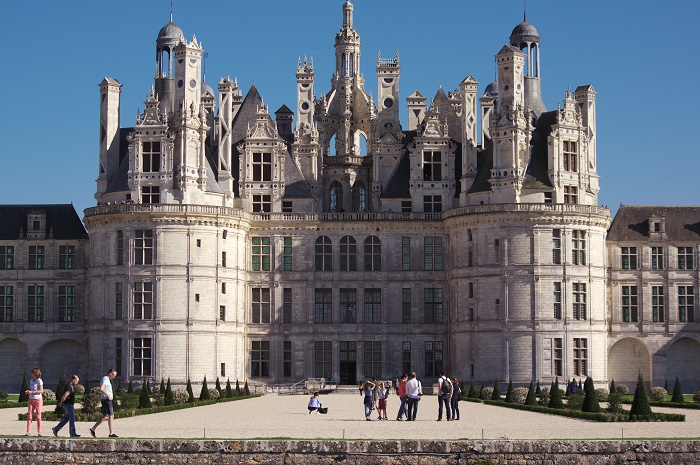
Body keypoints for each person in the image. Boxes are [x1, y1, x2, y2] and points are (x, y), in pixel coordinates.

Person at [89, 368, 118, 438]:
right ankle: (111, 433)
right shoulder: (105, 379)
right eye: (113, 375)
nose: (114, 377)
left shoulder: (106, 379)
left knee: (106, 416)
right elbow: (101, 388)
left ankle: (93, 429)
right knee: (111, 415)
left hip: (105, 399)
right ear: (110, 373)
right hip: (106, 400)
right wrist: (108, 395)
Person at [25, 367, 44, 436]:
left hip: (38, 399)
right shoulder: (31, 380)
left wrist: (31, 392)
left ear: (35, 373)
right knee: (29, 416)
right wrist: (29, 392)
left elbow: (41, 391)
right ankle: (28, 431)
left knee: (38, 416)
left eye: (32, 372)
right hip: (31, 399)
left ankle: (39, 431)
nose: (31, 374)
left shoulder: (39, 381)